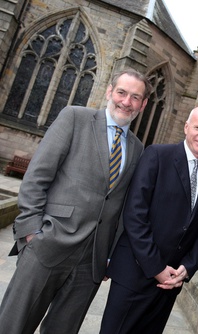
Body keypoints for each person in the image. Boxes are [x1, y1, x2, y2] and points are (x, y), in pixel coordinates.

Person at [0, 68, 152, 334]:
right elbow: (37, 177)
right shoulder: (74, 118)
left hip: (91, 261)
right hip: (48, 244)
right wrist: (32, 233)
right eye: (121, 92)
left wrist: (109, 257)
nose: (127, 102)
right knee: (13, 325)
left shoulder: (139, 149)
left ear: (144, 104)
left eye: (135, 97)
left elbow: (123, 206)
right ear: (109, 91)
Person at [99, 105, 198, 334]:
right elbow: (135, 214)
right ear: (186, 127)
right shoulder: (157, 155)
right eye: (197, 127)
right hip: (135, 274)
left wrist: (188, 266)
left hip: (170, 283)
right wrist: (156, 267)